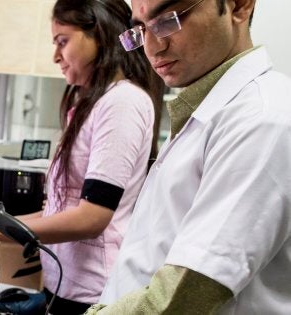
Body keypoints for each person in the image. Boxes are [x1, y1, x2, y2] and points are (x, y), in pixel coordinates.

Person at [0, 0, 162, 313]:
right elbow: (59, 209)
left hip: (93, 293)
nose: (55, 56)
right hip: (66, 283)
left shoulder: (123, 103)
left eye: (63, 41)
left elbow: (92, 217)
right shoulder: (92, 106)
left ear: (99, 35)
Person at [87, 0, 291, 313]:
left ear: (239, 6)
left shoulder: (263, 118)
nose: (153, 47)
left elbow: (190, 287)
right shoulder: (207, 110)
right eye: (141, 29)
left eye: (168, 20)